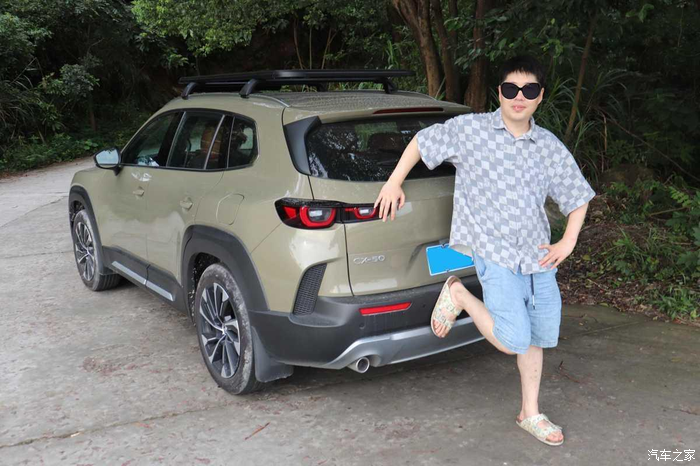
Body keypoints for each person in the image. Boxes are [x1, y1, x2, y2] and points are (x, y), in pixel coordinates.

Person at [373, 55, 596, 447]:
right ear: (500, 92)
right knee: (512, 339)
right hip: (494, 253)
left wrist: (569, 241)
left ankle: (530, 412)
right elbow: (423, 142)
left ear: (540, 96)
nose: (519, 97)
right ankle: (459, 293)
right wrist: (393, 182)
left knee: (537, 337)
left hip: (538, 257)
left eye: (528, 90)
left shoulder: (548, 146)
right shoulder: (472, 130)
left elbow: (578, 195)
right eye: (511, 89)